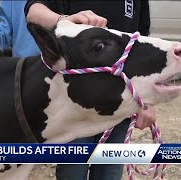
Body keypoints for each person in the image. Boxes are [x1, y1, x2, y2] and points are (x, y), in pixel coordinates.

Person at [24, 1, 155, 179]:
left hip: (121, 105)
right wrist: (65, 20)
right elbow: (33, 11)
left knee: (109, 174)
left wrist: (147, 101)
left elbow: (139, 42)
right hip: (76, 105)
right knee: (73, 173)